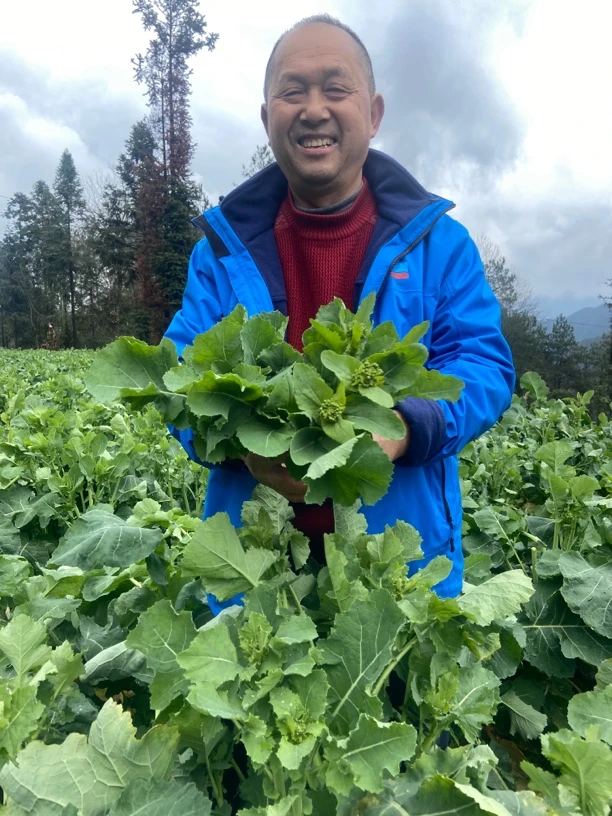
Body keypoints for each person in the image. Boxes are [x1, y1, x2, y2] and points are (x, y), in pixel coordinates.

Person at [165, 15, 515, 610]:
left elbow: (485, 367)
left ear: (373, 113)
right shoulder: (219, 254)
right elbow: (176, 378)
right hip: (253, 570)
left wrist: (403, 429)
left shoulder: (442, 246)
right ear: (267, 116)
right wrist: (243, 446)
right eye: (292, 91)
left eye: (336, 88)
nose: (314, 109)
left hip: (398, 576)